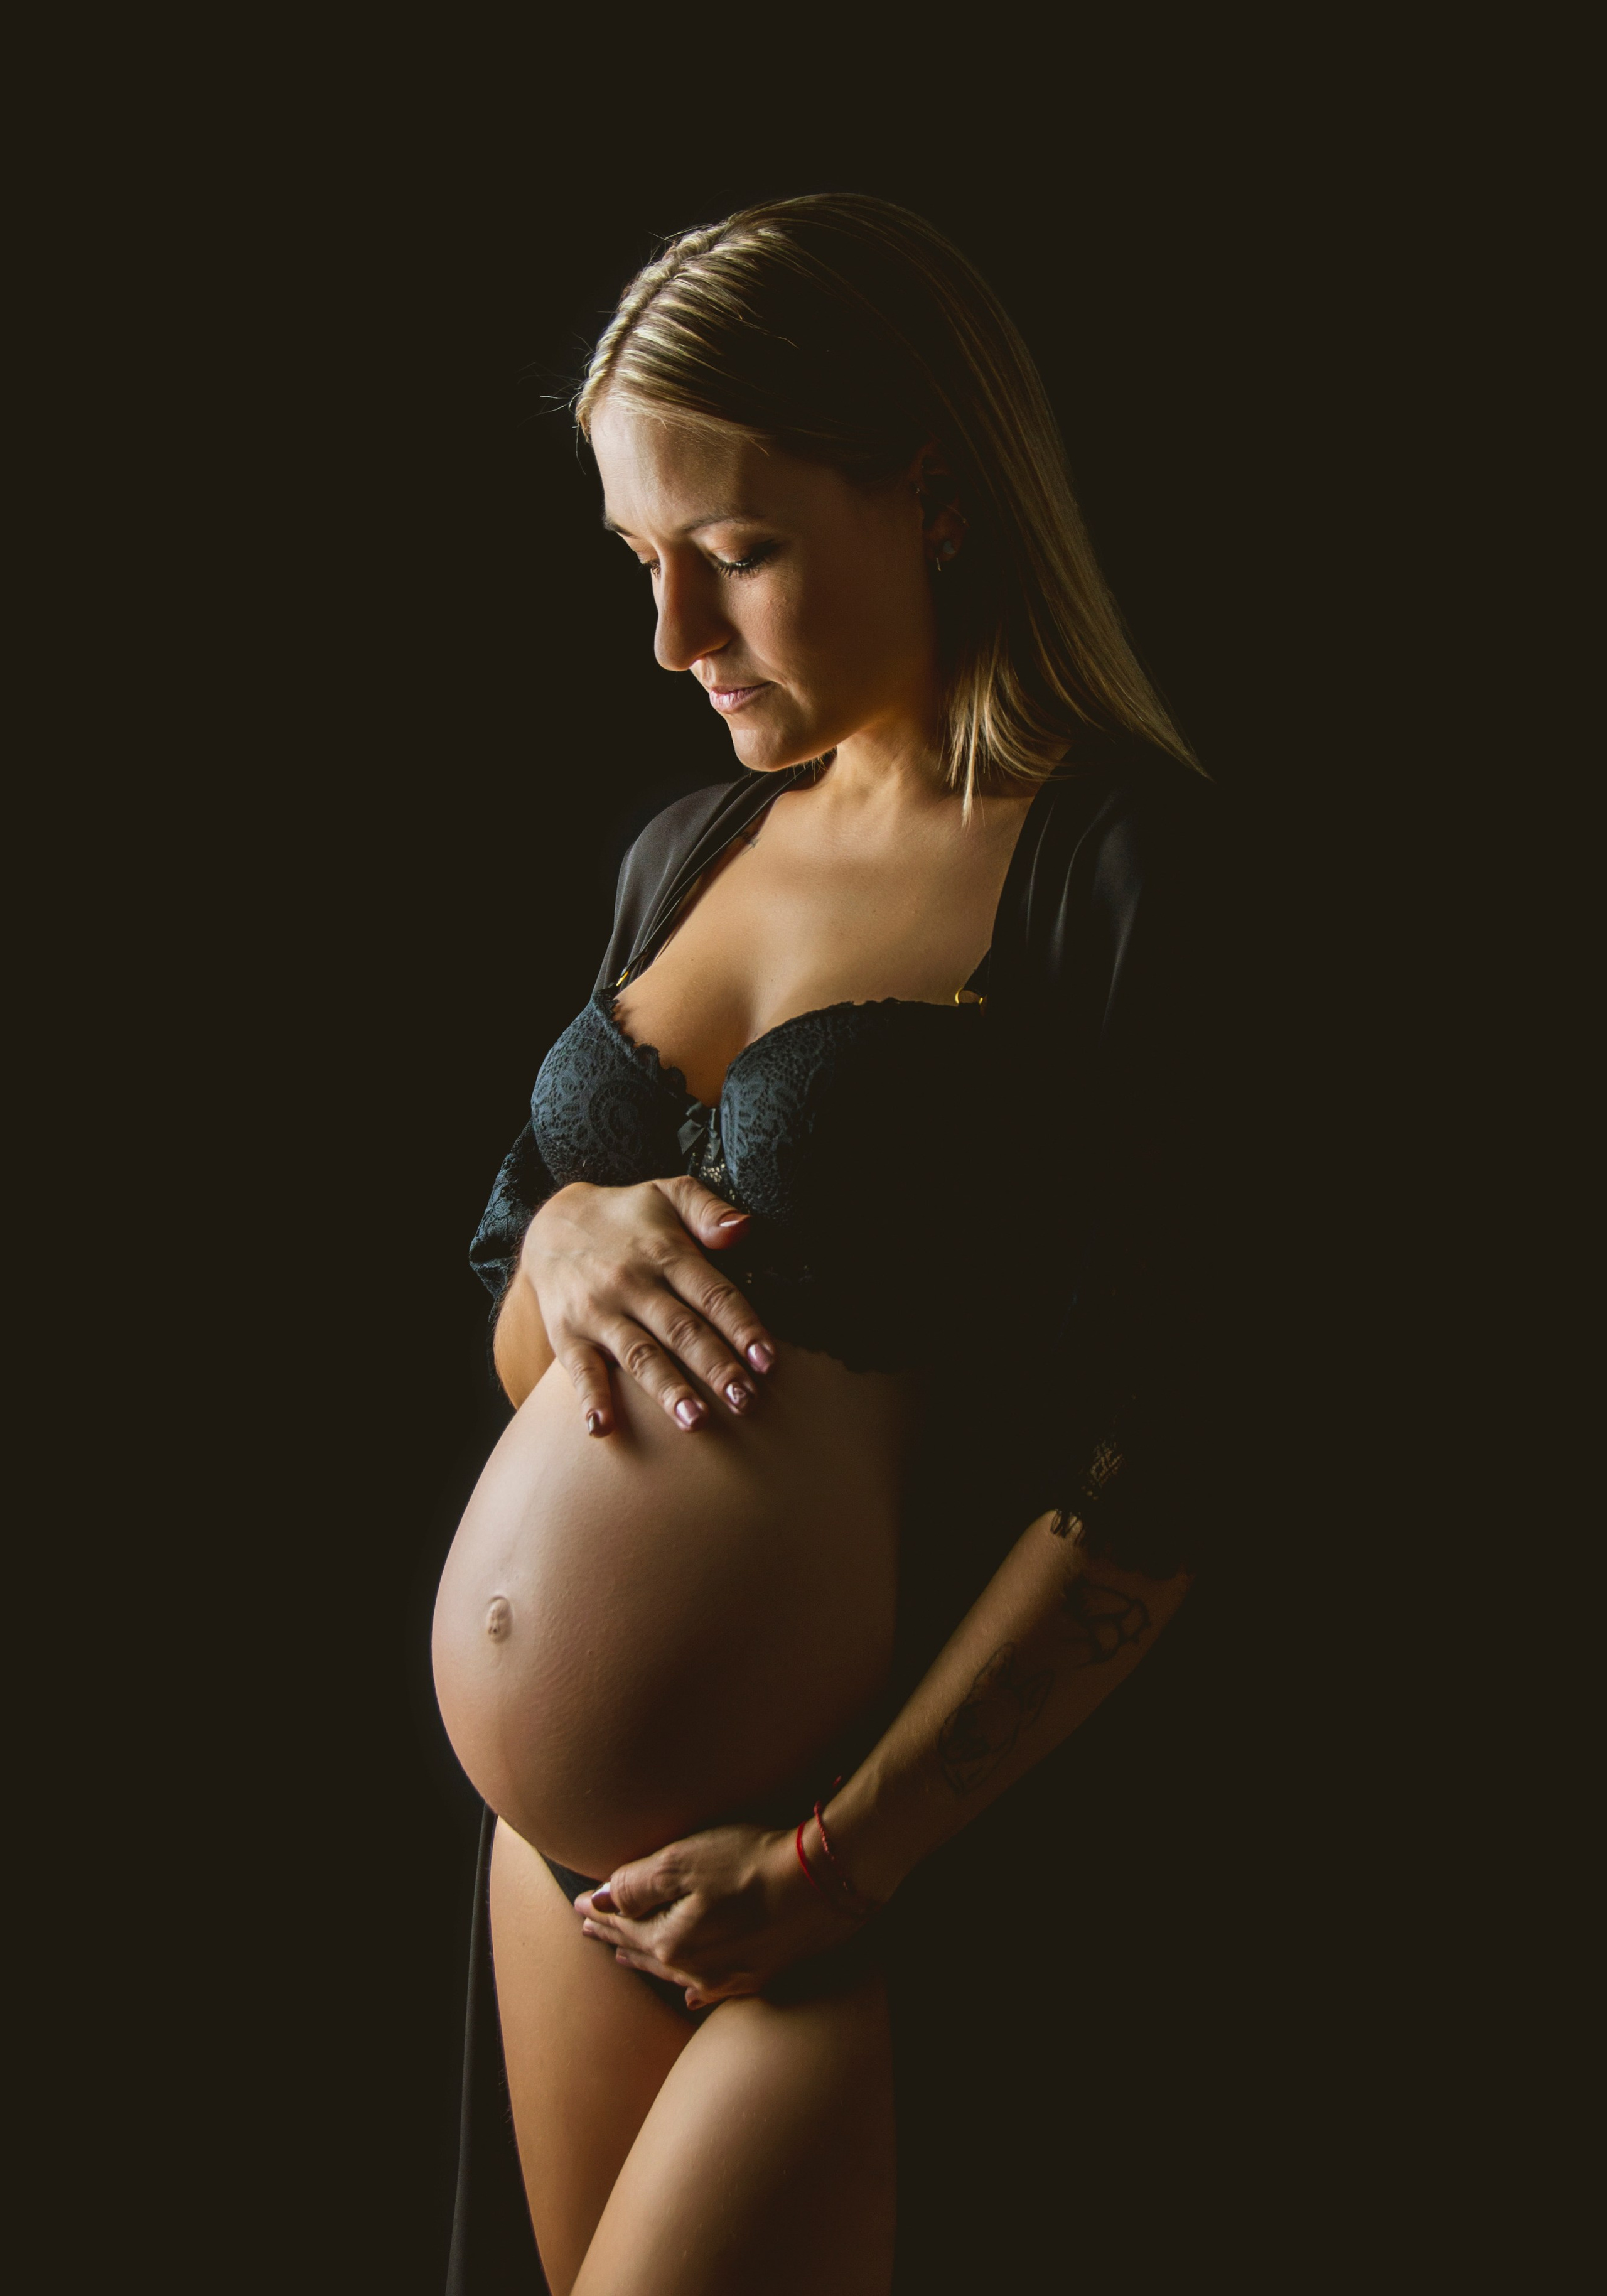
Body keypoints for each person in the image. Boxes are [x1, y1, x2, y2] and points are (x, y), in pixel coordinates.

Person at [435, 194, 1226, 2295]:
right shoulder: (678, 852)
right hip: (564, 1863)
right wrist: (577, 1237)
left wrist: (833, 1856)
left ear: (937, 492)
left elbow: (1188, 1443)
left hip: (871, 1863)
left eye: (741, 551)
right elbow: (525, 1313)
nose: (675, 634)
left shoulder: (1121, 873)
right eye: (638, 561)